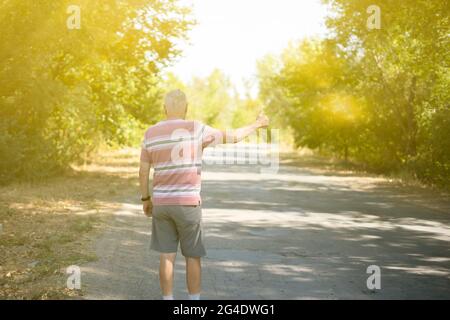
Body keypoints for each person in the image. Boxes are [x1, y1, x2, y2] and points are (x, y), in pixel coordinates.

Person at [139, 89, 269, 300]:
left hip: (162, 203)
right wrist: (257, 124)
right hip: (188, 204)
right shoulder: (196, 129)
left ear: (164, 109)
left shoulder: (150, 133)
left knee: (167, 256)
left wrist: (145, 199)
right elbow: (233, 137)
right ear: (186, 109)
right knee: (193, 256)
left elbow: (143, 171)